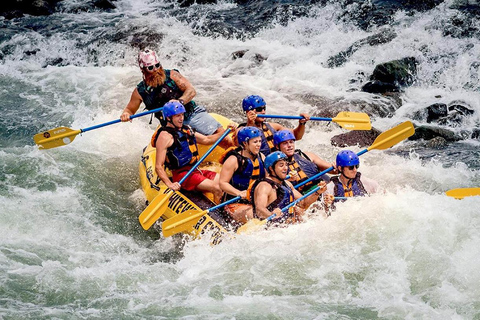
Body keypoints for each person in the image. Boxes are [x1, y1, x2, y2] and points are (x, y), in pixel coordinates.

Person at [120, 48, 228, 140]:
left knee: (221, 136)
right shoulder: (140, 91)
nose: (156, 70)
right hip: (170, 126)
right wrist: (126, 114)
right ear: (143, 69)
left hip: (190, 115)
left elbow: (191, 91)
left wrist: (179, 102)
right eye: (151, 68)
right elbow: (130, 110)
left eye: (157, 65)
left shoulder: (172, 75)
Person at [151, 101, 224, 202]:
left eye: (182, 115)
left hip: (195, 170)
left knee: (224, 182)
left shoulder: (186, 129)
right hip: (183, 175)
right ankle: (219, 215)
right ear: (168, 118)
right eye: (177, 116)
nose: (181, 118)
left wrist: (225, 132)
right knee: (217, 188)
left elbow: (206, 140)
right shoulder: (165, 136)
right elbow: (158, 166)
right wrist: (170, 184)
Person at [248, 151, 327, 224]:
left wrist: (317, 192)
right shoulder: (264, 186)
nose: (285, 168)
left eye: (286, 165)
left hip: (288, 228)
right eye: (281, 165)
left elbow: (304, 203)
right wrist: (271, 214)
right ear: (271, 168)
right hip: (272, 231)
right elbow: (259, 210)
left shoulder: (287, 184)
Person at [219, 126, 266, 224]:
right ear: (245, 143)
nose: (258, 145)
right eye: (255, 142)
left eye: (259, 141)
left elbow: (267, 178)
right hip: (234, 204)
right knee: (256, 215)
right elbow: (222, 183)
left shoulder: (261, 157)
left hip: (256, 201)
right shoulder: (233, 160)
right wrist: (238, 193)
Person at [237, 95, 311, 156]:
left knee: (309, 155)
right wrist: (250, 123)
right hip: (262, 164)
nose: (263, 112)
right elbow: (238, 146)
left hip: (279, 162)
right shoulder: (241, 130)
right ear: (248, 112)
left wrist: (302, 123)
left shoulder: (273, 126)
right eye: (259, 109)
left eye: (264, 108)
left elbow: (296, 136)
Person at [273, 129, 336, 194]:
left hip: (322, 189)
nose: (289, 146)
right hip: (302, 197)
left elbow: (332, 170)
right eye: (285, 143)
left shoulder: (306, 155)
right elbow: (274, 184)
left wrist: (337, 166)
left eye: (291, 142)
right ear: (277, 146)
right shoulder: (275, 165)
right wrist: (287, 179)